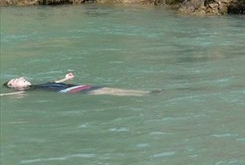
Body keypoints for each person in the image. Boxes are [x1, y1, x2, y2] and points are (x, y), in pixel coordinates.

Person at [2, 73, 150, 96]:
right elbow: (10, 95)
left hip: (71, 86)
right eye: (15, 80)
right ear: (15, 86)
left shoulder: (37, 84)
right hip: (72, 91)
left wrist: (65, 78)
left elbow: (54, 83)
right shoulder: (27, 90)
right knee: (107, 91)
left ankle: (142, 93)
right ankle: (143, 94)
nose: (20, 78)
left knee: (108, 90)